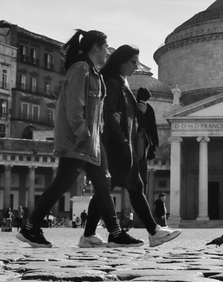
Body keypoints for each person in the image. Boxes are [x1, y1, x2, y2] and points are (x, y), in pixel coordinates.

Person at [19, 29, 141, 248]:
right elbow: (74, 106)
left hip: (93, 140)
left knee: (104, 183)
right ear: (96, 47)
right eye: (105, 47)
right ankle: (30, 228)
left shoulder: (93, 72)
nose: (107, 51)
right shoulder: (81, 68)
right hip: (80, 140)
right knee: (62, 184)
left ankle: (115, 233)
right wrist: (82, 133)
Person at [100, 46, 180, 248]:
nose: (137, 66)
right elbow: (110, 115)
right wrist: (121, 142)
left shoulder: (122, 82)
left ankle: (96, 233)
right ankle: (150, 232)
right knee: (124, 187)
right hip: (119, 146)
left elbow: (125, 116)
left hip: (124, 144)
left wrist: (139, 111)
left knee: (124, 187)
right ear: (121, 61)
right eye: (133, 62)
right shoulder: (112, 83)